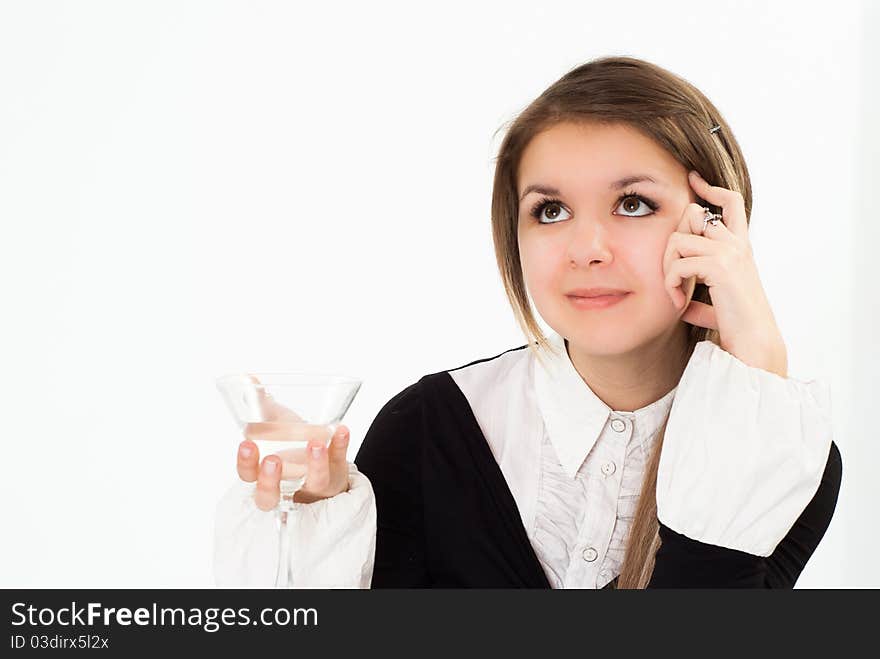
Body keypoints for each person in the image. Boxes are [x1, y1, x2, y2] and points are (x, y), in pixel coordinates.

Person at [213, 56, 842, 589]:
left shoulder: (782, 461)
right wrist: (315, 527)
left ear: (714, 226)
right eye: (550, 211)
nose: (586, 248)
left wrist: (758, 360)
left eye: (633, 204)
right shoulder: (427, 430)